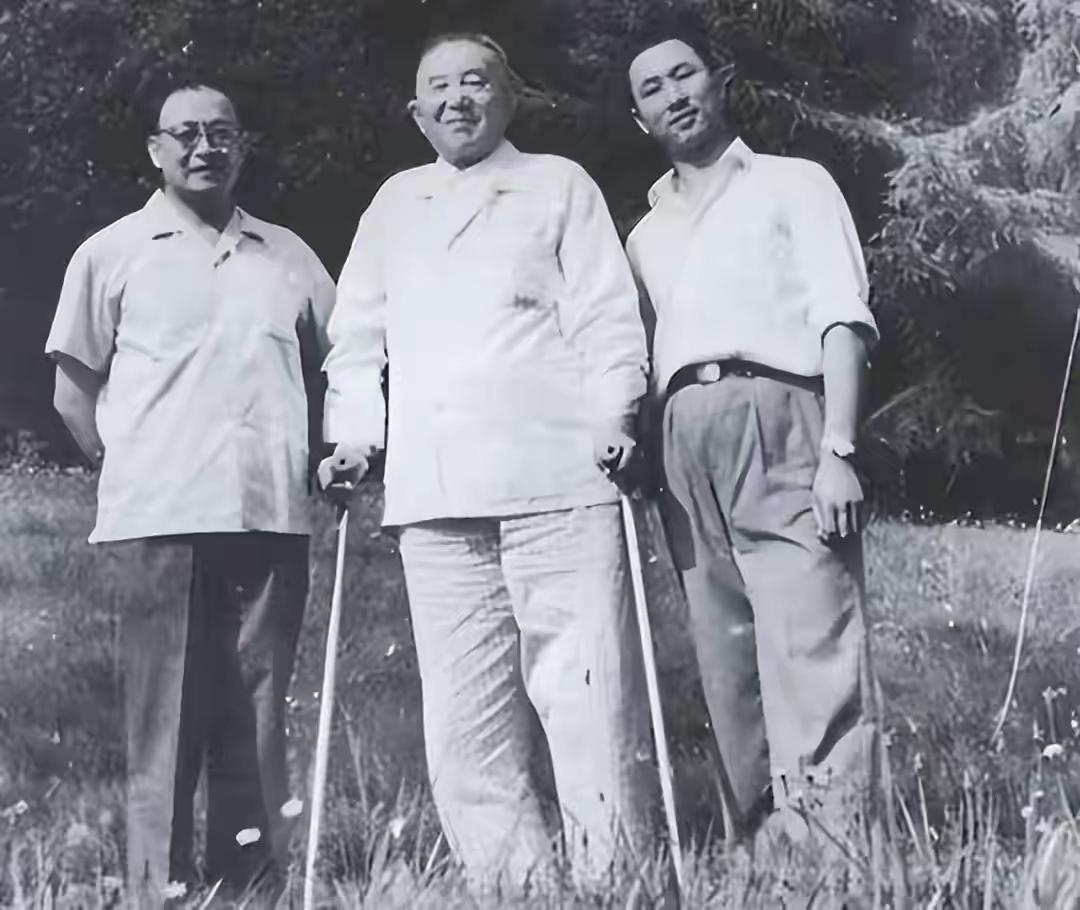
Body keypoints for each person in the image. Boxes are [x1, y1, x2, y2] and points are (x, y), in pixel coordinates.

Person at [318, 31, 661, 894]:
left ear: (509, 97)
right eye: (439, 87)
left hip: (560, 479)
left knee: (586, 697)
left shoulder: (557, 184)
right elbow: (355, 337)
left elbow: (608, 318)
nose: (457, 99)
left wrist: (616, 416)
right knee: (464, 722)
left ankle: (615, 882)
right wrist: (354, 439)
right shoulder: (395, 203)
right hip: (435, 495)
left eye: (476, 81)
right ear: (416, 112)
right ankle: (516, 889)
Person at [45, 76, 335, 906]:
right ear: (155, 150)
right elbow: (73, 393)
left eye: (221, 132)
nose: (205, 147)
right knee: (164, 717)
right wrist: (137, 467)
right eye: (186, 134)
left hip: (270, 514)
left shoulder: (287, 255)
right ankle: (159, 888)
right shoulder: (111, 252)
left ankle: (249, 886)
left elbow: (346, 359)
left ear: (243, 146)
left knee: (257, 714)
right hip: (159, 518)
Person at [625, 35, 882, 847]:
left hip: (781, 415)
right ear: (639, 119)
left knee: (810, 633)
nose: (673, 94)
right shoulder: (644, 235)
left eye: (684, 74)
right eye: (652, 88)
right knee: (725, 652)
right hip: (680, 440)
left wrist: (838, 448)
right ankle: (763, 848)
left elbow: (841, 317)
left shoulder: (794, 182)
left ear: (720, 82)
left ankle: (832, 851)